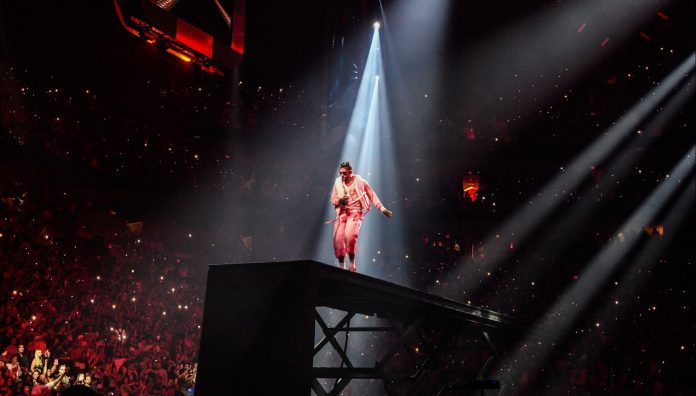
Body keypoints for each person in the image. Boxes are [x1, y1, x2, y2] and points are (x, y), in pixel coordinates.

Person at [330, 161, 392, 272]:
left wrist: (383, 209)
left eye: (344, 173)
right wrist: (340, 200)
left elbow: (372, 195)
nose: (342, 176)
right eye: (341, 173)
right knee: (338, 239)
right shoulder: (338, 183)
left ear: (350, 172)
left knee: (350, 237)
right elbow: (333, 199)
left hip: (355, 213)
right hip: (342, 214)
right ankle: (341, 267)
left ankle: (352, 264)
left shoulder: (360, 181)